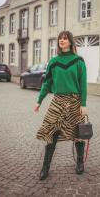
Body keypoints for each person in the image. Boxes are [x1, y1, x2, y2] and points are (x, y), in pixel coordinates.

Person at [34, 30, 87, 180]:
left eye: (64, 38)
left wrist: (83, 103)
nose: (61, 41)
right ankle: (45, 167)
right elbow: (47, 83)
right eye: (60, 39)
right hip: (58, 101)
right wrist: (39, 101)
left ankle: (80, 163)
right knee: (51, 133)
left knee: (79, 133)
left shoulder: (78, 61)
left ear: (70, 41)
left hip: (75, 101)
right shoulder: (53, 62)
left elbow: (83, 84)